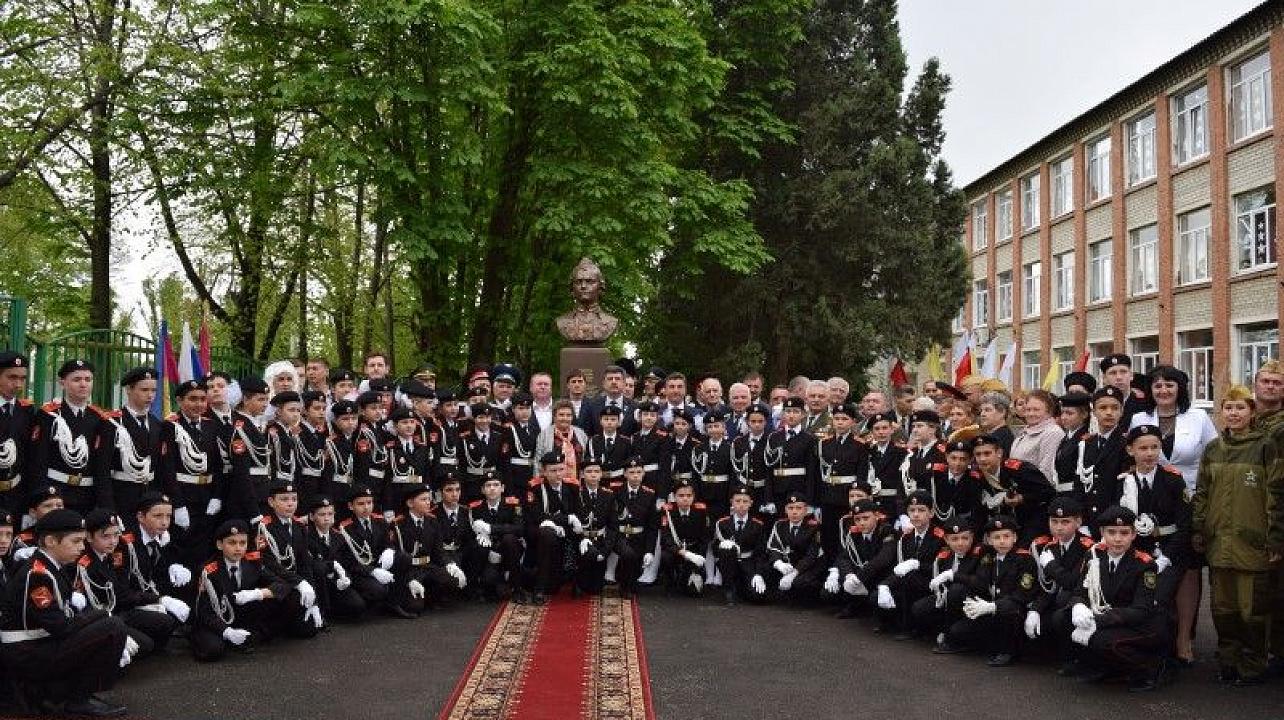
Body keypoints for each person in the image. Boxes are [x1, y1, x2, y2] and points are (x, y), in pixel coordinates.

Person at [1191, 384, 1284, 685]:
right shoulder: (1213, 449)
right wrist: (1199, 528)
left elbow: (1277, 494)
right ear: (1221, 413)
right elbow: (1202, 493)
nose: (1234, 413)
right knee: (1223, 609)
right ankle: (1229, 660)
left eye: (1240, 408)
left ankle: (1253, 665)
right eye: (1228, 408)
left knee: (1253, 611)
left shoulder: (1266, 447)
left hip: (1253, 543)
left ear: (1252, 412)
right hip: (1219, 543)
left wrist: (1276, 537)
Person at [0, 508, 129, 717]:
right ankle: (78, 700)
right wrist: (100, 616)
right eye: (75, 541)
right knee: (112, 628)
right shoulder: (38, 574)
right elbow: (61, 627)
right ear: (50, 541)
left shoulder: (53, 566)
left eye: (82, 541)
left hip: (39, 643)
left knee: (109, 630)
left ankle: (74, 693)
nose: (82, 547)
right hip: (27, 652)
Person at [1128, 365, 1215, 665]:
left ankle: (1184, 639)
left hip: (1188, 500)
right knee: (1152, 571)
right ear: (1150, 390)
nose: (1163, 390)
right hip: (1150, 502)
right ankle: (1156, 635)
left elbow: (1213, 458)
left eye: (1170, 385)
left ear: (1180, 388)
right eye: (1158, 385)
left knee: (1188, 569)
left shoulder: (1199, 417)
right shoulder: (1140, 419)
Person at [1065, 506, 1171, 692]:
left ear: (1133, 534)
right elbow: (1079, 591)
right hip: (1114, 620)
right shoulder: (1094, 556)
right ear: (1102, 533)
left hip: (1144, 626)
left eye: (1124, 533)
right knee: (1064, 618)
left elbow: (1141, 611)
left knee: (1101, 640)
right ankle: (1110, 668)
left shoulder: (1144, 564)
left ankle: (1149, 668)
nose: (1117, 538)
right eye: (1111, 532)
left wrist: (1096, 621)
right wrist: (1078, 607)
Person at [190, 519, 317, 662]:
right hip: (217, 620)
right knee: (213, 649)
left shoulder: (252, 562)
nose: (238, 548)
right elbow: (204, 612)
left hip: (244, 617)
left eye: (242, 543)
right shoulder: (208, 571)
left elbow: (282, 585)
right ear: (220, 545)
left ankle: (256, 634)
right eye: (232, 543)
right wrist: (226, 631)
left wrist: (257, 594)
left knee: (293, 595)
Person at [75, 508, 179, 659]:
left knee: (166, 622)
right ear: (89, 537)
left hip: (120, 609)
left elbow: (121, 591)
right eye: (105, 536)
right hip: (102, 618)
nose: (113, 541)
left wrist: (158, 600)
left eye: (116, 535)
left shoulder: (111, 554)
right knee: (145, 645)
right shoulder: (83, 565)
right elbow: (86, 607)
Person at [938, 515, 1037, 667]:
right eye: (996, 537)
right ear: (989, 540)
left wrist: (994, 606)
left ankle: (1008, 652)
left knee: (1008, 612)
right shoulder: (989, 557)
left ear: (1015, 537)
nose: (1002, 541)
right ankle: (986, 644)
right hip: (991, 608)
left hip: (1015, 611)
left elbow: (1021, 595)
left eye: (1006, 536)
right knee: (957, 631)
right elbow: (981, 582)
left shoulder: (1025, 559)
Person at [29, 359, 111, 515]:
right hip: (56, 493)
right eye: (77, 379)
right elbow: (38, 461)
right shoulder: (49, 415)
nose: (83, 384)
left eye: (88, 379)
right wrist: (39, 499)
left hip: (87, 495)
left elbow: (101, 466)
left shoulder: (99, 418)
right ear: (63, 382)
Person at [156, 380, 225, 566]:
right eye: (192, 399)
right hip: (184, 495)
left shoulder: (211, 426)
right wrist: (178, 505)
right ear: (179, 401)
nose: (199, 404)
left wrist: (217, 496)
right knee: (182, 548)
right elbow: (167, 468)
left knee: (204, 549)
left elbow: (218, 465)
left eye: (202, 399)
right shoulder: (170, 426)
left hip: (207, 496)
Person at [1027, 497, 1096, 676]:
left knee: (1063, 602)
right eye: (1054, 521)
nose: (1059, 527)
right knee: (1034, 627)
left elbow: (1073, 582)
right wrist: (1035, 610)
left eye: (1065, 522)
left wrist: (1051, 566)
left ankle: (1073, 659)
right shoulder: (1046, 547)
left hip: (1080, 602)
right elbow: (1045, 587)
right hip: (1056, 600)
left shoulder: (1088, 548)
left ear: (1078, 522)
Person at [864, 491, 945, 636]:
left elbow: (942, 568)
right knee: (876, 595)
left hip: (931, 584)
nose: (916, 514)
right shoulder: (905, 538)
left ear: (931, 513)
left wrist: (918, 565)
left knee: (910, 580)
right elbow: (898, 567)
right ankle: (892, 623)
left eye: (921, 510)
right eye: (912, 510)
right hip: (908, 582)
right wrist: (885, 585)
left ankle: (911, 627)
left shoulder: (940, 537)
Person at [390, 484, 465, 615]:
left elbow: (438, 551)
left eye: (429, 499)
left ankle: (429, 596)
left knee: (452, 580)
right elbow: (398, 559)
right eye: (423, 499)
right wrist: (409, 579)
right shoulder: (398, 525)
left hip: (427, 566)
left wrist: (450, 564)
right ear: (410, 503)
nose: (428, 502)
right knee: (415, 607)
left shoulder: (432, 521)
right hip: (410, 569)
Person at [973, 434, 1054, 543]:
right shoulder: (977, 476)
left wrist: (1022, 498)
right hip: (1004, 525)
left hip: (1033, 519)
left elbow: (1048, 491)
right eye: (978, 454)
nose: (982, 459)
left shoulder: (1020, 469)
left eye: (987, 453)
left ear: (999, 453)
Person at [912, 515, 981, 643]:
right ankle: (940, 630)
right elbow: (935, 578)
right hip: (947, 598)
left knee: (956, 590)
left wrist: (954, 575)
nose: (960, 543)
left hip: (971, 603)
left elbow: (979, 583)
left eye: (965, 538)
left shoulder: (979, 554)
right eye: (954, 539)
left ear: (972, 537)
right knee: (919, 608)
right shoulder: (944, 556)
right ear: (946, 540)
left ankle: (953, 636)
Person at [525, 450, 581, 604]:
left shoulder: (572, 486)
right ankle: (540, 588)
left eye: (561, 469)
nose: (558, 474)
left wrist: (567, 524)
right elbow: (536, 516)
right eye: (553, 470)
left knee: (580, 534)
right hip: (540, 531)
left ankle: (577, 581)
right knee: (548, 534)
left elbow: (577, 514)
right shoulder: (535, 487)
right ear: (544, 471)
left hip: (566, 530)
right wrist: (563, 520)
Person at [813, 403, 868, 560]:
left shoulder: (860, 444)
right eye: (837, 419)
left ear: (852, 422)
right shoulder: (824, 443)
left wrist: (858, 499)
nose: (840, 422)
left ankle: (844, 565)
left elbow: (861, 474)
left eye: (844, 419)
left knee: (846, 533)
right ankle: (830, 566)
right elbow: (817, 475)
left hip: (847, 497)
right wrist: (816, 502)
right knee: (828, 535)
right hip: (827, 497)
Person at [103, 368, 161, 516]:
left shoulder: (156, 424)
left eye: (153, 390)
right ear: (129, 389)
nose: (150, 395)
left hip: (150, 497)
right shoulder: (113, 423)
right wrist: (108, 506)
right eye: (144, 390)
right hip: (122, 495)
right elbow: (103, 469)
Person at [1070, 387, 1130, 526]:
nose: (1109, 412)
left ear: (1122, 411)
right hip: (1088, 521)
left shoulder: (1127, 445)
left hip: (1115, 523)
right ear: (1094, 412)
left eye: (1114, 408)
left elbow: (1124, 489)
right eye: (1103, 408)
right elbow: (1080, 486)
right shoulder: (1086, 444)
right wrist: (1081, 521)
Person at [334, 486, 396, 615]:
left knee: (404, 558)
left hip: (379, 564)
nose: (366, 507)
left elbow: (388, 543)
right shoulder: (345, 528)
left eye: (369, 502)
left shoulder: (380, 521)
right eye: (361, 504)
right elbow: (347, 562)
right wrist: (372, 571)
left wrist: (390, 550)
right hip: (360, 572)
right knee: (377, 591)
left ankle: (394, 603)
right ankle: (368, 603)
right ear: (351, 506)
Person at [831, 494, 895, 619]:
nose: (861, 523)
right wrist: (849, 575)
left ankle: (886, 619)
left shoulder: (886, 531)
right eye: (857, 519)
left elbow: (883, 560)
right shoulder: (854, 533)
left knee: (875, 597)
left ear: (876, 516)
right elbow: (844, 557)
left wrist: (857, 577)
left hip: (882, 576)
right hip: (865, 574)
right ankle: (855, 606)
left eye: (866, 518)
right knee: (829, 593)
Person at [304, 495, 364, 622]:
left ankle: (332, 611)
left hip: (336, 582)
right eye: (322, 514)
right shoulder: (306, 537)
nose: (327, 518)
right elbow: (309, 565)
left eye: (330, 514)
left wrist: (346, 578)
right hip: (317, 585)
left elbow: (347, 562)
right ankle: (322, 610)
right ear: (312, 517)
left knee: (357, 606)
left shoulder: (339, 536)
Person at [467, 474, 525, 602]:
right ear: (482, 490)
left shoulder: (513, 504)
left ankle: (517, 589)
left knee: (509, 539)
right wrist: (489, 550)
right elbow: (471, 535)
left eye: (496, 485)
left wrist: (490, 528)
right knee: (490, 580)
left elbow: (519, 529)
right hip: (489, 553)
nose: (492, 488)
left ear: (502, 488)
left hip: (510, 552)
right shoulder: (475, 508)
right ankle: (478, 587)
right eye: (488, 485)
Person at [608, 457, 658, 600]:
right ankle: (623, 586)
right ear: (625, 474)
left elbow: (652, 527)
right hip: (619, 535)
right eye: (631, 472)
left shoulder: (649, 495)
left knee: (635, 578)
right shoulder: (615, 491)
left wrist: (650, 551)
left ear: (643, 473)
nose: (635, 476)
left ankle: (626, 580)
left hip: (639, 537)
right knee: (627, 555)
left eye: (638, 472)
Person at [762, 493, 823, 602]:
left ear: (805, 510)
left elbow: (811, 556)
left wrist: (794, 573)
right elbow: (773, 547)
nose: (794, 512)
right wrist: (779, 564)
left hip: (807, 566)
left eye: (799, 508)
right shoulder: (779, 525)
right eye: (791, 508)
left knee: (799, 585)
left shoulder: (814, 527)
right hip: (788, 564)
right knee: (766, 570)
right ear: (785, 510)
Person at [712, 485, 767, 605]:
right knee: (728, 549)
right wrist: (722, 545)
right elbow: (714, 549)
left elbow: (760, 553)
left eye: (745, 501)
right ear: (732, 502)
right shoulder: (722, 523)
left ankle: (741, 587)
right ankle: (728, 588)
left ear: (751, 503)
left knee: (758, 596)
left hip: (748, 563)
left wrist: (758, 573)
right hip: (728, 564)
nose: (741, 504)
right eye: (737, 501)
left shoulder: (758, 525)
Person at [569, 459, 616, 596]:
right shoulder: (575, 494)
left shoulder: (608, 495)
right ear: (582, 475)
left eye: (596, 471)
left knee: (596, 589)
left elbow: (613, 526)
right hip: (580, 540)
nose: (593, 475)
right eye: (589, 471)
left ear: (601, 474)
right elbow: (570, 522)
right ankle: (577, 580)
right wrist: (580, 539)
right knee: (582, 586)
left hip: (600, 540)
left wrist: (606, 550)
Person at [764, 398, 815, 517]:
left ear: (803, 414)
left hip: (799, 490)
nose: (791, 415)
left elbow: (811, 472)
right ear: (783, 414)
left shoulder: (809, 439)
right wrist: (768, 499)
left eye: (796, 411)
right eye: (788, 411)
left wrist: (810, 501)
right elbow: (769, 470)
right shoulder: (774, 437)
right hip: (778, 490)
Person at [658, 480, 710, 597]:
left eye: (689, 495)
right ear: (674, 496)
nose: (685, 499)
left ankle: (688, 576)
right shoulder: (668, 511)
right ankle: (670, 583)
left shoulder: (701, 510)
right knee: (666, 557)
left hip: (694, 550)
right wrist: (684, 553)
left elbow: (704, 537)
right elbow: (666, 539)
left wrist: (699, 558)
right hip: (676, 550)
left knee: (694, 592)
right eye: (681, 495)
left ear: (693, 496)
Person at [0, 351, 36, 517]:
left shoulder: (27, 411)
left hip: (16, 494)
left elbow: (28, 456)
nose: (18, 384)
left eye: (22, 378)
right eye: (12, 377)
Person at [1009, 389, 1063, 489]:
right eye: (1028, 410)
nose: (1031, 414)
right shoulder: (1024, 433)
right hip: (1019, 490)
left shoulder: (1052, 432)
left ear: (1048, 412)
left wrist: (1027, 495)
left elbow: (1047, 472)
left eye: (1036, 410)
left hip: (1038, 493)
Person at [690, 409, 733, 521]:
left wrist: (731, 497)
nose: (713, 429)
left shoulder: (730, 448)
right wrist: (696, 495)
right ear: (706, 429)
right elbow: (695, 475)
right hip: (703, 492)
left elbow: (733, 475)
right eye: (710, 427)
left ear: (723, 427)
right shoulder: (699, 448)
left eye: (716, 426)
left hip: (722, 493)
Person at [976, 391, 1015, 457]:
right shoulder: (991, 435)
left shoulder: (1003, 438)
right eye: (981, 411)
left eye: (987, 410)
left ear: (1002, 412)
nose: (982, 414)